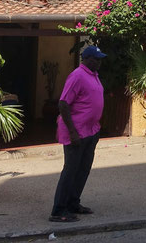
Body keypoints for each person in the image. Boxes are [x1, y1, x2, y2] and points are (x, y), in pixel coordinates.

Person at [49, 45, 106, 223]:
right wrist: (73, 132)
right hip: (77, 133)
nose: (98, 62)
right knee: (70, 171)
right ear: (86, 59)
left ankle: (73, 203)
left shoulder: (93, 75)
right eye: (95, 59)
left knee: (83, 170)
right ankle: (58, 210)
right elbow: (64, 104)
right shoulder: (77, 76)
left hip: (91, 131)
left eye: (100, 59)